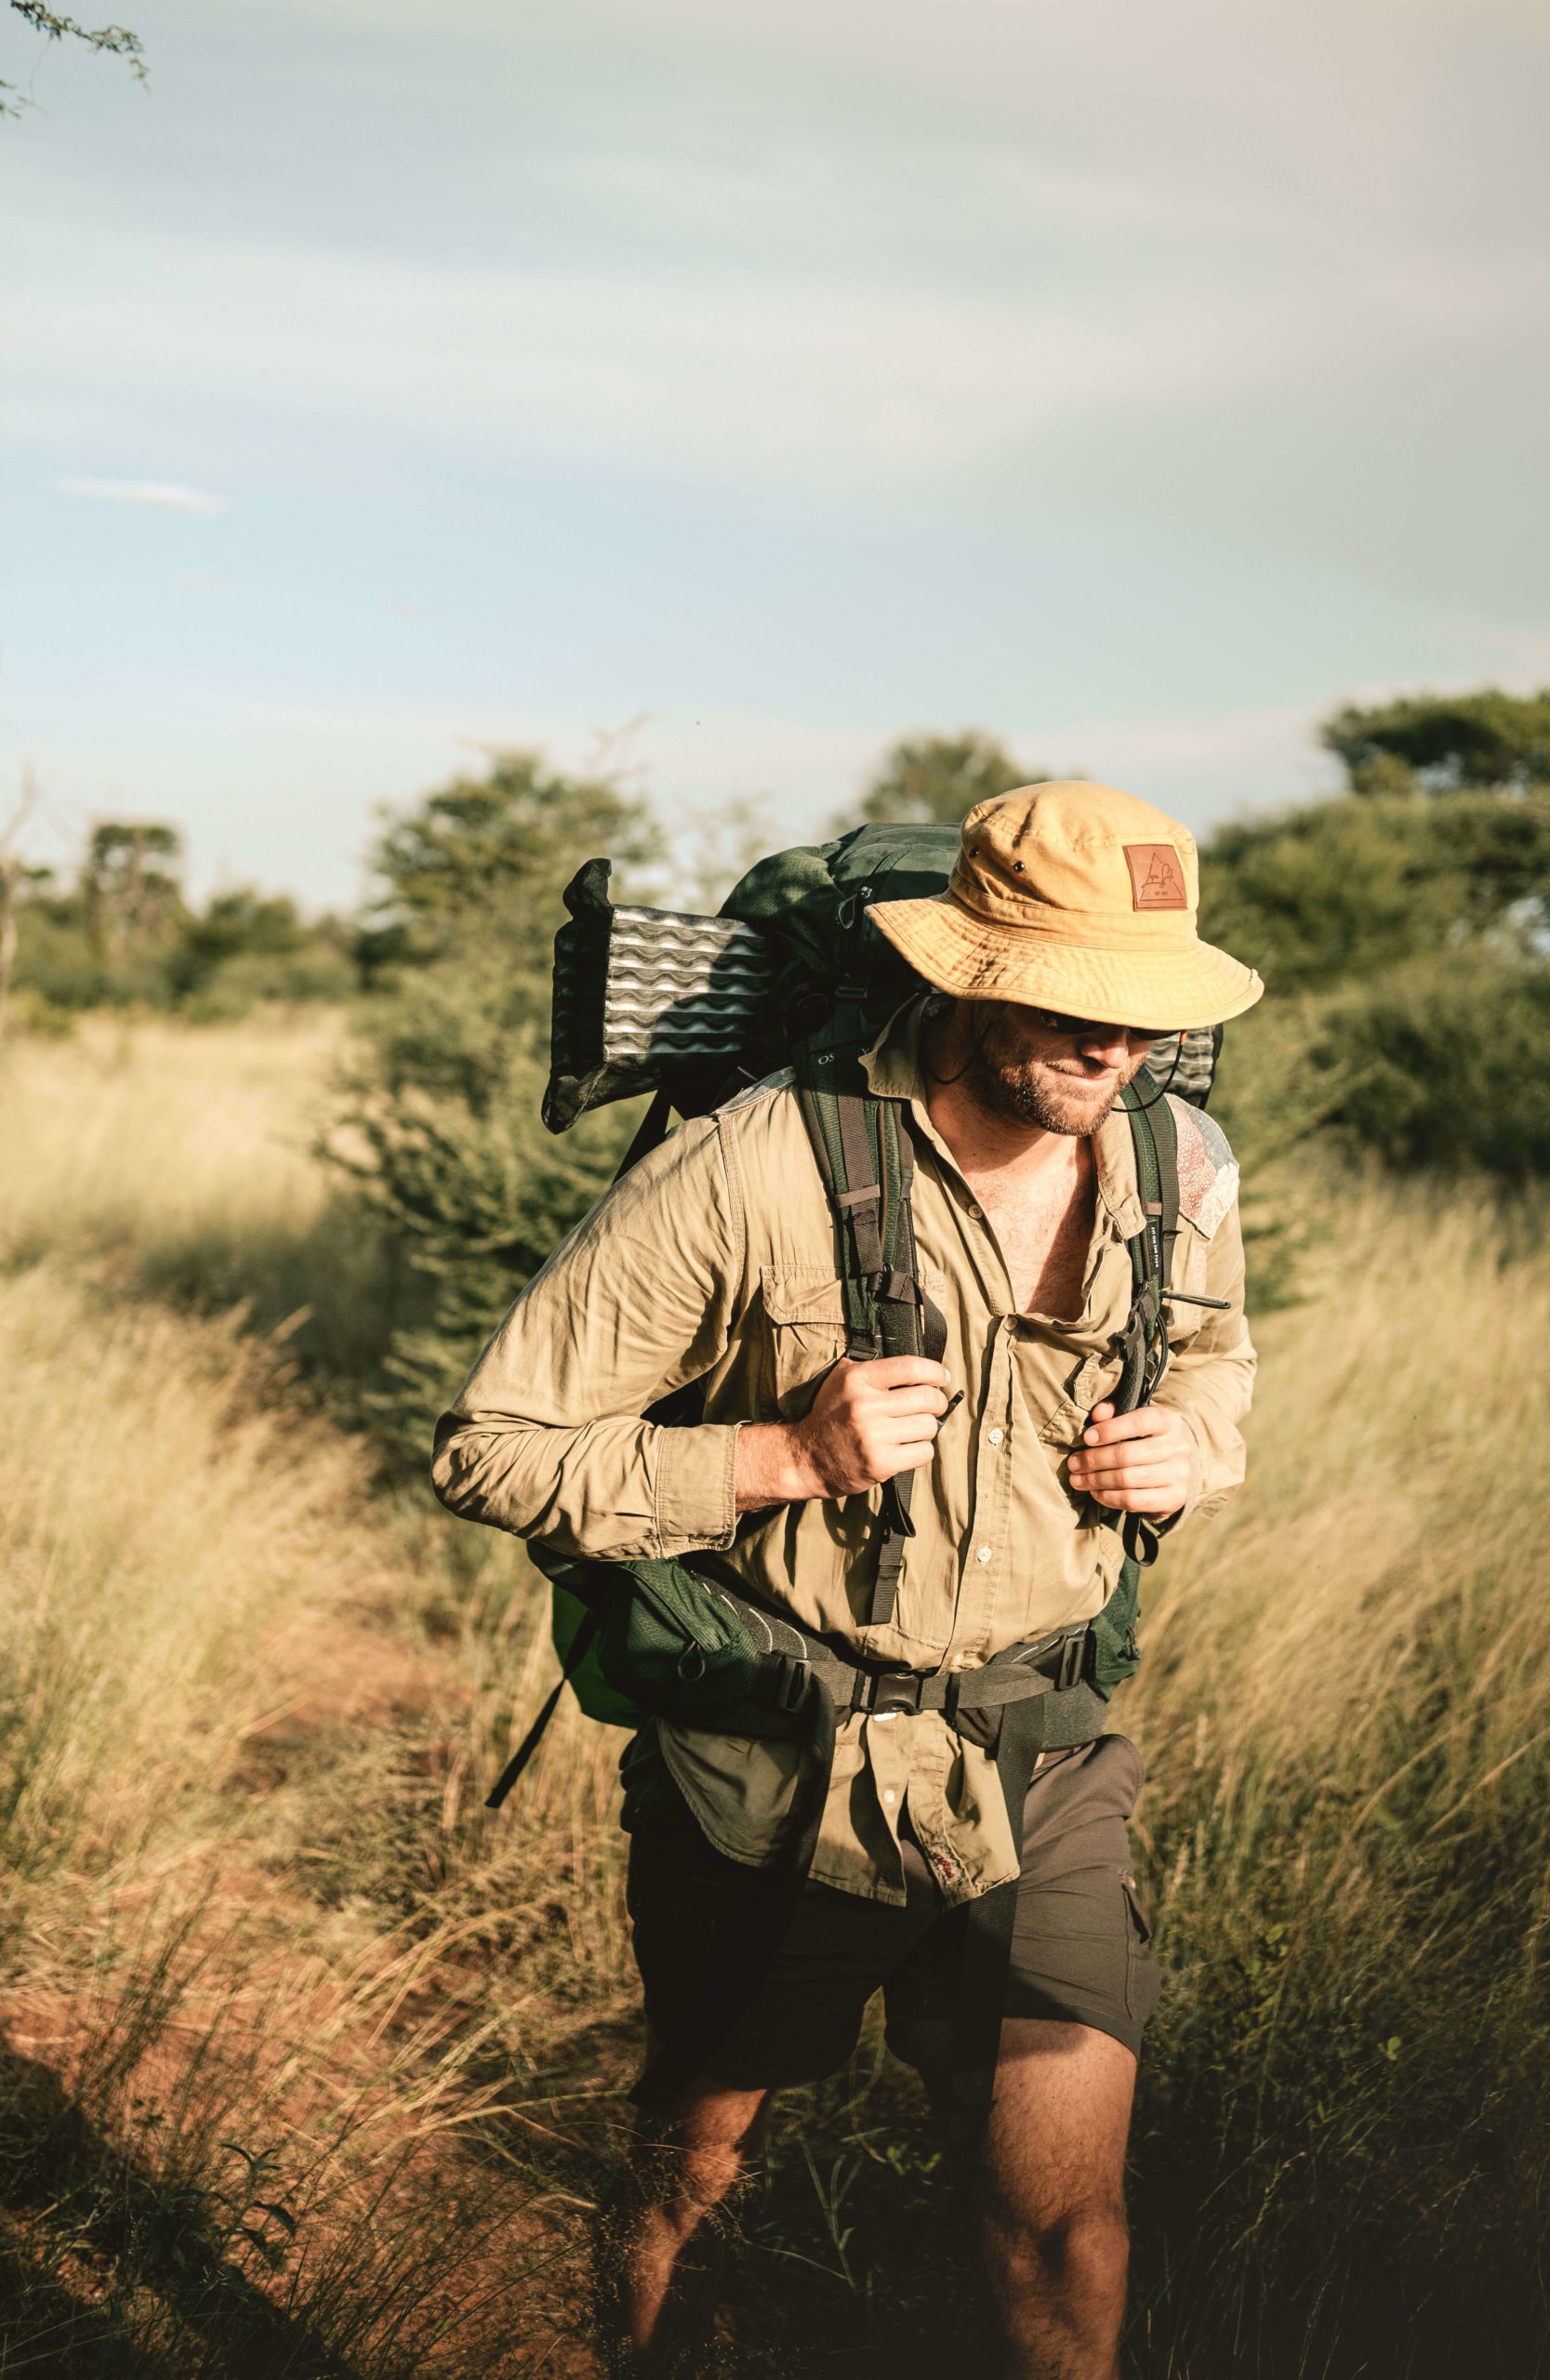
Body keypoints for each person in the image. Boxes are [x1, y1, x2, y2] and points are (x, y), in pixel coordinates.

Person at [432, 780, 1264, 2378]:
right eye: (1080, 1004)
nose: (1117, 1048)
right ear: (966, 967)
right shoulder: (756, 1167)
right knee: (690, 2173)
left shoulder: (1181, 1159)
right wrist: (772, 1463)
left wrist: (1192, 1444)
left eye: (1148, 1015)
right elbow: (492, 1444)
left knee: (1064, 2225)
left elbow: (1219, 1353)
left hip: (1045, 1748)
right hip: (777, 1758)